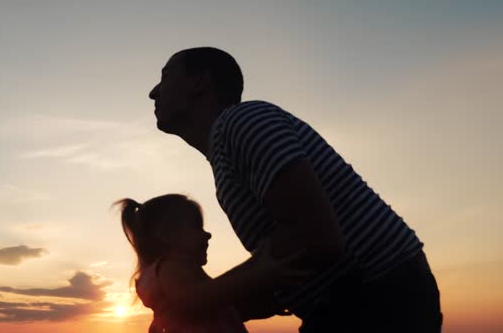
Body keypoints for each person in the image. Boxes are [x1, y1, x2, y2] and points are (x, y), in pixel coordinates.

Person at [148, 47, 443, 332]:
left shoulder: (244, 122)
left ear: (199, 82)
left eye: (166, 76)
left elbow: (316, 237)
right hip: (352, 306)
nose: (154, 92)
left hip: (380, 299)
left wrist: (195, 301)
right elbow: (282, 270)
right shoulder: (227, 152)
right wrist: (192, 315)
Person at [115, 194, 304, 332]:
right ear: (167, 235)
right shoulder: (169, 268)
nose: (208, 234)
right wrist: (257, 276)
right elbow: (194, 301)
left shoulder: (176, 274)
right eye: (197, 227)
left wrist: (258, 306)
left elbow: (212, 307)